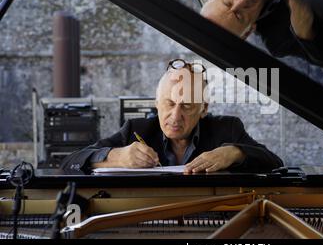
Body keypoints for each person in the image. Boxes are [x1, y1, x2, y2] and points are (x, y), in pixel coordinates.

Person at [61, 59, 283, 173]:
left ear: (204, 108)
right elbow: (69, 163)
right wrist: (116, 157)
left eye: (186, 106)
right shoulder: (136, 130)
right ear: (157, 103)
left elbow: (275, 163)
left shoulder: (228, 129)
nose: (175, 116)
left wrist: (235, 153)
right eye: (169, 104)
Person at [200, 0, 323, 71]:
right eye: (239, 16)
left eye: (227, 2)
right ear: (248, 30)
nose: (242, 0)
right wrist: (302, 27)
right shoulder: (276, 41)